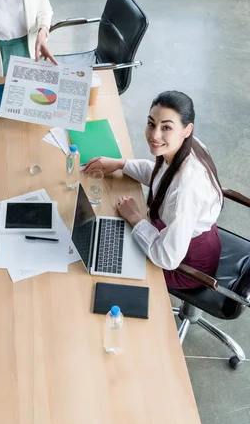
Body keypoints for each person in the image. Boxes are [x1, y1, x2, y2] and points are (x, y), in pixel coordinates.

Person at [85, 90, 223, 289]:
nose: (155, 135)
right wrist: (121, 164)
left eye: (166, 127)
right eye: (151, 124)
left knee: (108, 273)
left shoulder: (186, 191)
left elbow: (168, 258)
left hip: (188, 265)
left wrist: (135, 218)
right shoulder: (184, 145)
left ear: (187, 129)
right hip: (176, 233)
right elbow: (163, 176)